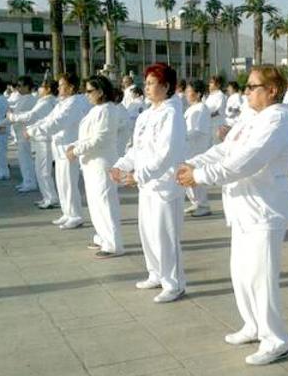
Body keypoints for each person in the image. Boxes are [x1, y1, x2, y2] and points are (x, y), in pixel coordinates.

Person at [176, 65, 288, 365]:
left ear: (271, 90)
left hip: (265, 208)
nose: (246, 92)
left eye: (252, 86)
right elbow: (225, 150)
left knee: (261, 277)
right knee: (241, 272)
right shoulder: (250, 117)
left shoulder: (279, 119)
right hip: (243, 206)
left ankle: (275, 339)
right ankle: (253, 325)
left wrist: (200, 176)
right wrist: (192, 163)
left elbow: (247, 161)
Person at [111, 63, 187, 303]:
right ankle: (155, 273)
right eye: (146, 83)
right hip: (147, 186)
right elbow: (137, 148)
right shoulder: (146, 115)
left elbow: (166, 154)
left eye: (152, 83)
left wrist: (139, 175)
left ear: (166, 86)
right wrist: (122, 165)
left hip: (165, 185)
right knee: (148, 233)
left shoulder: (172, 114)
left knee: (165, 236)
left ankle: (174, 284)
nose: (147, 87)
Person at [66, 76, 124, 258]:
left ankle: (113, 244)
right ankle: (102, 237)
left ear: (101, 91)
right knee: (95, 203)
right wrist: (74, 145)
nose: (87, 94)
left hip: (101, 163)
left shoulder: (108, 110)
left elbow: (100, 139)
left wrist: (76, 150)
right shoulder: (96, 110)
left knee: (105, 203)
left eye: (90, 91)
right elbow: (88, 137)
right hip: (91, 163)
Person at [27, 73, 89, 229]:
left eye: (62, 85)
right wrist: (33, 127)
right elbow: (48, 119)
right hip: (60, 148)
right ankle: (67, 212)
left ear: (71, 87)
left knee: (69, 183)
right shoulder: (63, 102)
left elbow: (57, 123)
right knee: (61, 182)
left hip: (69, 147)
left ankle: (75, 215)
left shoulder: (74, 103)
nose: (59, 87)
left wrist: (34, 131)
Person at [13, 80, 59, 209]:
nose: (39, 89)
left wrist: (13, 117)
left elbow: (31, 115)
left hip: (45, 140)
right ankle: (47, 197)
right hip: (41, 139)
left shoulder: (46, 102)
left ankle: (51, 198)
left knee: (44, 171)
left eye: (41, 87)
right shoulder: (44, 101)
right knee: (41, 170)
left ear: (48, 89)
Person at [183, 79, 212, 217]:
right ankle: (196, 202)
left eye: (189, 91)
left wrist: (181, 137)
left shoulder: (201, 108)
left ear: (198, 94)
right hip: (188, 147)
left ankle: (203, 205)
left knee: (194, 176)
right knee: (186, 176)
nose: (186, 94)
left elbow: (197, 131)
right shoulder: (191, 108)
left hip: (196, 148)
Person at [8, 76, 38, 192]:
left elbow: (16, 116)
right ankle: (27, 180)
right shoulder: (22, 98)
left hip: (25, 133)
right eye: (17, 86)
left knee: (26, 159)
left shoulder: (29, 99)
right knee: (23, 158)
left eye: (20, 86)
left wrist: (5, 121)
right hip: (20, 133)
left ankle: (30, 182)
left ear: (27, 87)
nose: (18, 88)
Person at [204, 75, 226, 142]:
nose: (209, 84)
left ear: (218, 84)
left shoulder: (220, 95)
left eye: (211, 82)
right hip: (209, 125)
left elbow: (219, 111)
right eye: (209, 82)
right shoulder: (210, 95)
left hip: (217, 126)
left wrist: (207, 115)